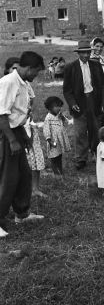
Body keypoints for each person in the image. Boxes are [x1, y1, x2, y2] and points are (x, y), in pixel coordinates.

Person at [0, 51, 45, 239]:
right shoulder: (9, 82)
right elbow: (1, 114)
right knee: (7, 178)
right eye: (35, 71)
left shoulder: (24, 83)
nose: (36, 75)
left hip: (17, 130)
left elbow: (21, 112)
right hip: (5, 133)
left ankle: (22, 213)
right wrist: (11, 140)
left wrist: (23, 137)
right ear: (28, 68)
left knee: (24, 175)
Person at [63, 40, 104, 170]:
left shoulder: (96, 65)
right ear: (78, 53)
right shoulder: (71, 67)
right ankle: (81, 158)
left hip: (94, 100)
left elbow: (102, 85)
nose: (86, 55)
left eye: (88, 52)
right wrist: (72, 103)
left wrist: (103, 102)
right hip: (79, 103)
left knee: (95, 129)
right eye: (83, 53)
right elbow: (67, 90)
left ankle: (96, 154)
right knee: (80, 132)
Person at [42, 96, 71, 177]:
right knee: (54, 158)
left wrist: (63, 118)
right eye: (56, 106)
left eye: (60, 106)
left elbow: (66, 123)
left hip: (60, 141)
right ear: (50, 108)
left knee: (59, 156)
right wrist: (50, 141)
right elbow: (46, 130)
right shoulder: (48, 118)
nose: (59, 108)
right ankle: (56, 174)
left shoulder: (59, 115)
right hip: (53, 142)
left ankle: (60, 171)